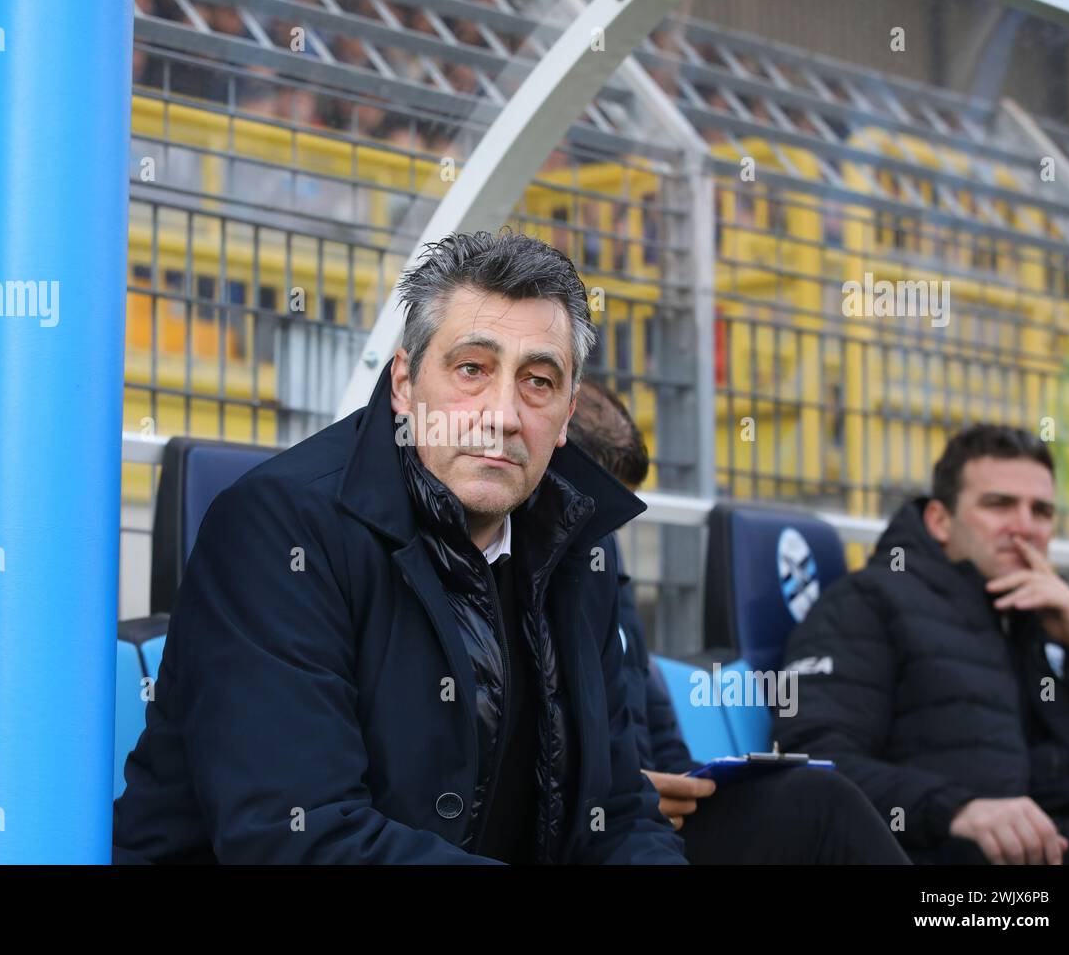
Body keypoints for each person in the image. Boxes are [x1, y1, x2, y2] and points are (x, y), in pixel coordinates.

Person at [112, 231, 686, 864]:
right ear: (405, 384)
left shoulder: (579, 548)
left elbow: (621, 811)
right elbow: (297, 836)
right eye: (473, 369)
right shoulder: (277, 529)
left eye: (538, 382)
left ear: (567, 408)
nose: (503, 414)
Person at [566, 380, 910, 864]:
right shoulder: (510, 570)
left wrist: (691, 783)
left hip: (653, 818)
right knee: (819, 805)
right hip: (592, 830)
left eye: (617, 515)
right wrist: (615, 794)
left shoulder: (603, 560)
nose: (608, 527)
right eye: (597, 508)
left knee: (817, 795)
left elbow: (649, 717)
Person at [774, 424, 1069, 864]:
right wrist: (955, 809)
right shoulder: (869, 602)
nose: (1025, 529)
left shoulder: (1035, 618)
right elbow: (812, 762)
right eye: (999, 505)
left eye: (1041, 511)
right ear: (940, 521)